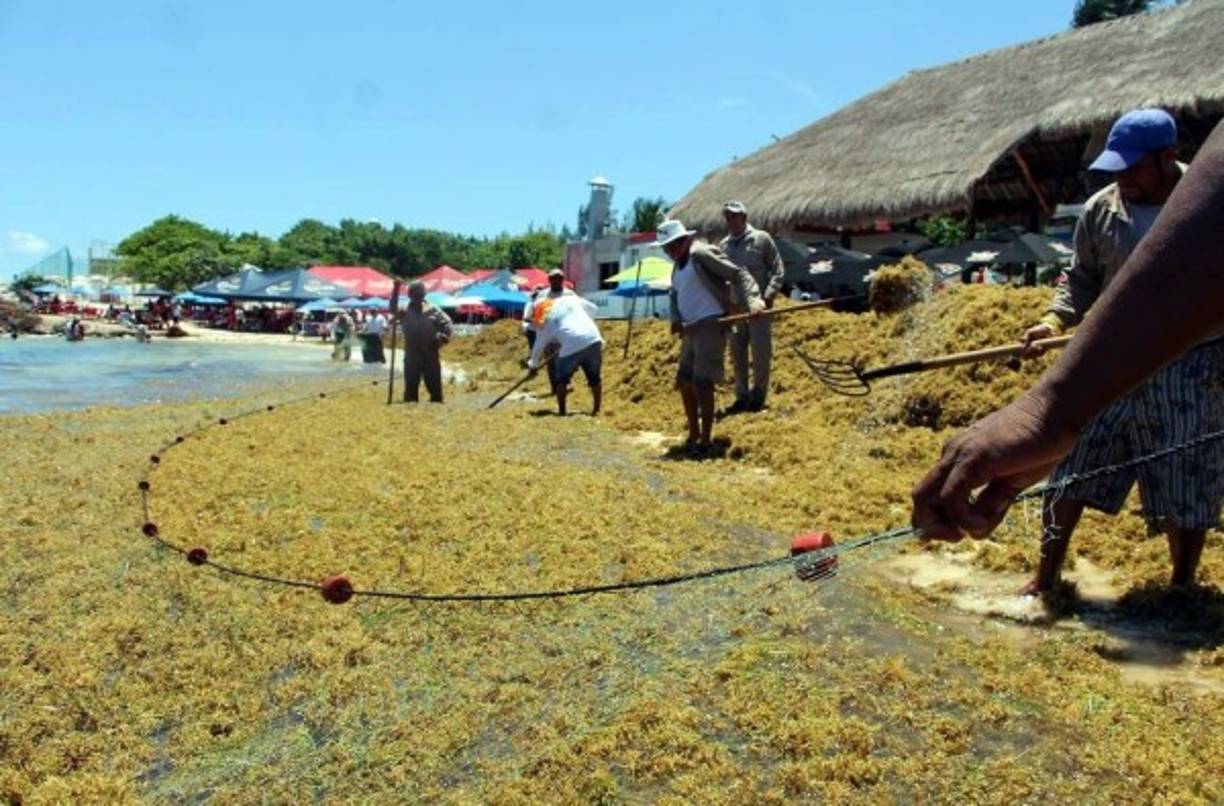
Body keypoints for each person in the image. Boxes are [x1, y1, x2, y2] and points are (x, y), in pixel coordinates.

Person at [912, 119, 1224, 586]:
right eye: (1115, 171)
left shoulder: (1204, 201)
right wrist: (1054, 321)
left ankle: (1181, 584)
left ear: (1167, 156)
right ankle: (1046, 575)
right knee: (1070, 465)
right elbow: (1080, 280)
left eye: (1134, 169)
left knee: (1184, 474)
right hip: (1105, 359)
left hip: (1190, 364)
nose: (1124, 180)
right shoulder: (1101, 210)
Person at [658, 218, 764, 458]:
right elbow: (675, 294)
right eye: (665, 248)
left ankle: (705, 440)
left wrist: (753, 300)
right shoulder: (677, 266)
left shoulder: (701, 254)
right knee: (684, 382)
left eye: (670, 246)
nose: (667, 251)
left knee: (701, 382)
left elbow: (739, 274)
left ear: (682, 240)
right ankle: (693, 434)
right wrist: (675, 318)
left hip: (711, 324)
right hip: (690, 329)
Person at [719, 200, 784, 413]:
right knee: (737, 354)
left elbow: (778, 270)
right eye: (728, 217)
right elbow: (720, 278)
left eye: (735, 216)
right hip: (735, 310)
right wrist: (725, 304)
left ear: (744, 217)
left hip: (759, 308)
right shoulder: (723, 246)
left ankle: (758, 397)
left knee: (760, 353)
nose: (731, 220)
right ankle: (741, 396)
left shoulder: (761, 239)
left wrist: (768, 297)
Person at [526, 293, 604, 416]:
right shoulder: (571, 299)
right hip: (594, 338)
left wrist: (533, 366)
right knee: (595, 378)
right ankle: (597, 410)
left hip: (572, 342)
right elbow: (594, 309)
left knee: (561, 379)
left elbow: (539, 346)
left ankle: (562, 412)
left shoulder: (547, 318)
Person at [398, 280, 453, 403]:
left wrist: (443, 336)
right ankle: (410, 406)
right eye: (415, 294)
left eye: (420, 294)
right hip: (412, 353)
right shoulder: (404, 310)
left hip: (430, 351)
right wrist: (396, 290)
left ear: (424, 295)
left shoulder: (433, 309)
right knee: (411, 386)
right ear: (410, 295)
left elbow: (447, 323)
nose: (418, 297)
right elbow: (392, 310)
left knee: (434, 385)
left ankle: (436, 403)